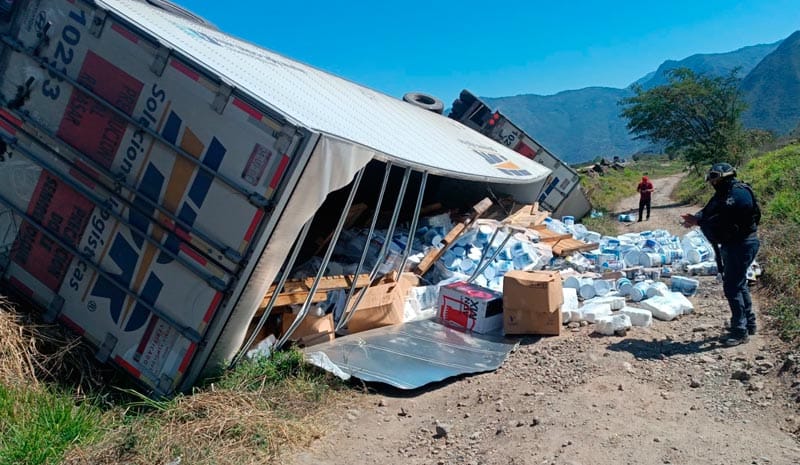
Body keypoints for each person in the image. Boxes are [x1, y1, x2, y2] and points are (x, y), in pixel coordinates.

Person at [681, 162, 761, 347]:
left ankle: (740, 330)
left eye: (715, 178)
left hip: (741, 244)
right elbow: (709, 210)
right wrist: (698, 218)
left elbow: (724, 217)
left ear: (725, 177)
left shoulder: (738, 194)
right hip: (734, 244)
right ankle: (749, 323)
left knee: (732, 287)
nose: (713, 183)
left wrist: (700, 222)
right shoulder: (723, 194)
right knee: (738, 284)